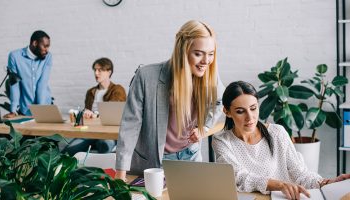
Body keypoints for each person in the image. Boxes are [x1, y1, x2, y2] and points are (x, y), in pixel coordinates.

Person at [115, 20, 224, 180]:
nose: (206, 61)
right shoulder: (146, 76)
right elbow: (130, 125)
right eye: (199, 53)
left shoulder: (209, 76)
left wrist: (204, 127)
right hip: (153, 163)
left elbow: (219, 101)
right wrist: (120, 174)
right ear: (183, 50)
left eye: (211, 53)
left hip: (190, 157)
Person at [212, 81, 350, 200]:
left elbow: (300, 174)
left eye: (253, 108)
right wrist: (280, 185)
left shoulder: (277, 132)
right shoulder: (222, 141)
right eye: (240, 111)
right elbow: (238, 177)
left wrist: (326, 183)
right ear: (227, 112)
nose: (250, 117)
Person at [62, 57, 126, 156]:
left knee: (104, 145)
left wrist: (94, 115)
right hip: (91, 131)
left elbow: (114, 114)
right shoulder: (91, 92)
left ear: (109, 72)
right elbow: (87, 111)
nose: (96, 73)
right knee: (68, 150)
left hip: (108, 133)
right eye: (95, 70)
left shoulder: (117, 90)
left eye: (100, 70)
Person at [4, 30, 52, 118]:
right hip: (25, 109)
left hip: (45, 107)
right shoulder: (14, 57)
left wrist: (40, 111)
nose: (47, 50)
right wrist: (13, 110)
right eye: (45, 46)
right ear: (35, 43)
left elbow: (42, 83)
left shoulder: (48, 57)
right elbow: (14, 84)